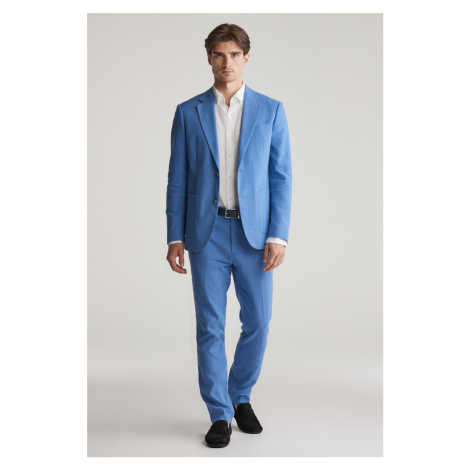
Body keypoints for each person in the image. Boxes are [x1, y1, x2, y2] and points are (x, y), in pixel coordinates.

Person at [166, 23, 292, 448]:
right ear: (209, 58)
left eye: (234, 55)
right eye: (219, 55)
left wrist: (278, 235)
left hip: (256, 235)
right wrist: (175, 235)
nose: (227, 63)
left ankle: (240, 395)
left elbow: (281, 178)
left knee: (258, 320)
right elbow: (178, 180)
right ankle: (219, 412)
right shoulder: (188, 112)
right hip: (207, 233)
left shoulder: (271, 110)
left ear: (246, 58)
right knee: (210, 325)